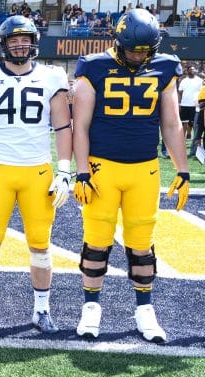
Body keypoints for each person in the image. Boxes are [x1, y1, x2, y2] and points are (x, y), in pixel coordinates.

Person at [72, 9, 189, 343]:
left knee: (141, 243)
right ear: (119, 41)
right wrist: (82, 171)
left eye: (145, 50)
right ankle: (91, 307)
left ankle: (144, 309)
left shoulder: (164, 66)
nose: (140, 55)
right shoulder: (93, 66)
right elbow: (80, 124)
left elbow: (171, 123)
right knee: (97, 241)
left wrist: (182, 170)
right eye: (134, 49)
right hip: (102, 167)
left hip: (144, 168)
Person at [0, 16, 72, 334]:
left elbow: (64, 126)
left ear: (34, 42)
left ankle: (41, 310)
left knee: (41, 246)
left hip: (38, 172)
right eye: (14, 39)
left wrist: (64, 170)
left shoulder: (53, 76)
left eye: (25, 39)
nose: (20, 44)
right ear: (3, 43)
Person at [178, 65, 203, 140]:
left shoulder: (199, 80)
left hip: (194, 104)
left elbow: (201, 92)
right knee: (183, 122)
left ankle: (189, 134)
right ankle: (182, 138)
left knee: (192, 122)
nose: (192, 71)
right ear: (187, 71)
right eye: (190, 70)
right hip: (184, 104)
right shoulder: (184, 80)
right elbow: (180, 91)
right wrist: (179, 102)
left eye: (193, 69)